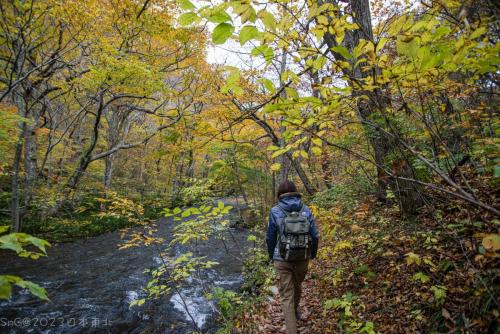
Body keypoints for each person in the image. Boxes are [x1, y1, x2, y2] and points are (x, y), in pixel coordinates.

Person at [266, 180, 319, 334]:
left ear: (279, 194)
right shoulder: (306, 209)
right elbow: (315, 236)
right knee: (297, 286)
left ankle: (291, 328)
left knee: (286, 295)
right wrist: (313, 254)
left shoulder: (275, 211)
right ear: (296, 192)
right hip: (303, 257)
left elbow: (270, 238)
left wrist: (272, 256)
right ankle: (295, 311)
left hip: (282, 259)